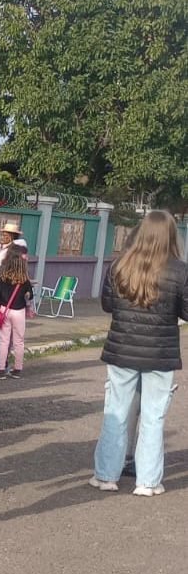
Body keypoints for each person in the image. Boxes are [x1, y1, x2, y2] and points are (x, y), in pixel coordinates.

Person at [91, 210, 188, 497]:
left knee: (116, 413)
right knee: (153, 417)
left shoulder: (119, 265)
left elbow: (107, 305)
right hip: (160, 353)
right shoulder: (180, 271)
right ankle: (147, 481)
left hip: (121, 351)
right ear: (171, 235)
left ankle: (106, 475)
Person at [0, 252, 32, 378]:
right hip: (19, 311)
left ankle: (0, 369)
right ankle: (17, 369)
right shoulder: (24, 281)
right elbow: (30, 295)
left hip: (5, 310)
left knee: (3, 341)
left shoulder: (2, 278)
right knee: (18, 341)